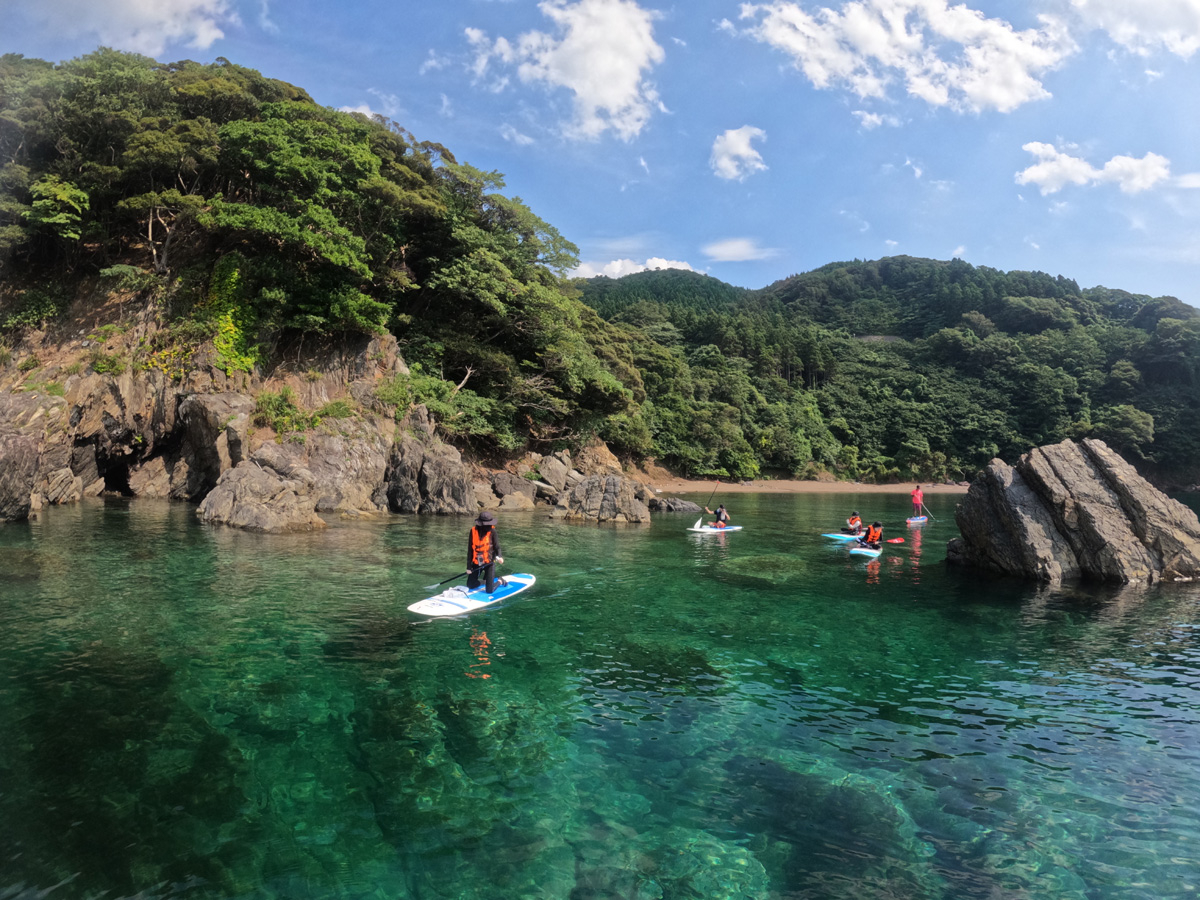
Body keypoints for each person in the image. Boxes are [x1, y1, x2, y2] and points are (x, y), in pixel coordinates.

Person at [467, 511, 504, 594]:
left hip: (489, 563)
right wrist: (468, 567)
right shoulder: (473, 531)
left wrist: (500, 556)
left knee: (489, 591)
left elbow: (497, 547)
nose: (488, 526)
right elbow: (470, 550)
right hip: (477, 562)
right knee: (470, 585)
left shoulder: (493, 531)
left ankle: (500, 581)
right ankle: (486, 582)